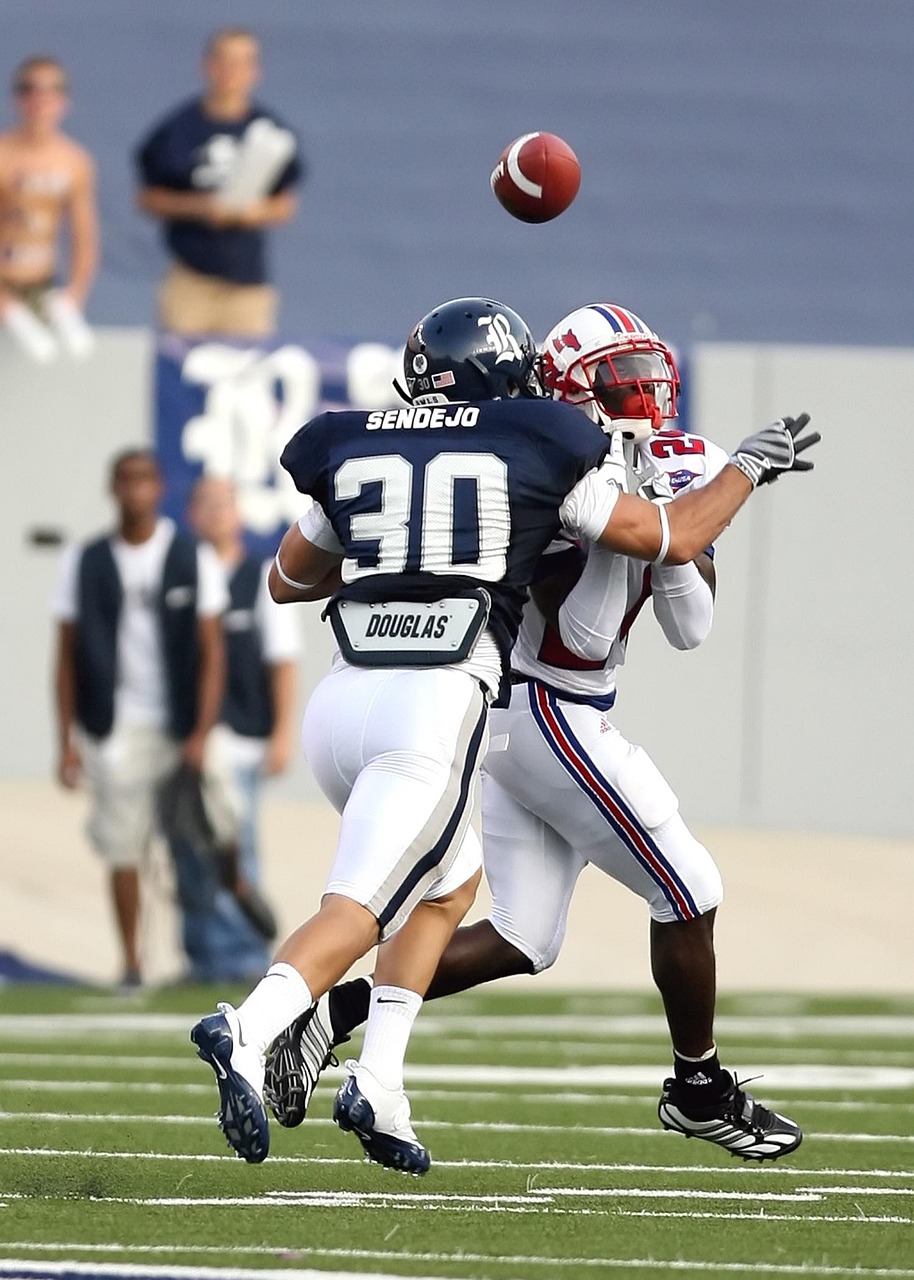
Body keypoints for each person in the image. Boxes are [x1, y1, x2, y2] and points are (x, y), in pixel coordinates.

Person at [189, 295, 818, 1176]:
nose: (640, 393)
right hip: (536, 704)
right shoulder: (548, 449)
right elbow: (653, 552)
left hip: (454, 703)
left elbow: (688, 621)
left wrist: (673, 506)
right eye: (618, 378)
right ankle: (698, 1086)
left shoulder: (565, 450)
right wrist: (722, 485)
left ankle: (337, 1026)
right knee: (688, 885)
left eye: (644, 372)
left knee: (521, 932)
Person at [53, 449, 228, 988]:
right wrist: (67, 741)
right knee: (123, 843)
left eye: (144, 480)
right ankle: (131, 960)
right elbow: (66, 654)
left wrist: (201, 731)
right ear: (113, 487)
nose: (135, 490)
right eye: (125, 480)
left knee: (209, 833)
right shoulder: (85, 560)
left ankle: (211, 954)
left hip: (177, 721)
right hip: (116, 722)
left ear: (159, 488)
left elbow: (212, 652)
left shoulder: (188, 554)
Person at [182, 475, 300, 976]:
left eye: (224, 503)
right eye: (205, 503)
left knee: (238, 843)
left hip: (243, 734)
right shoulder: (181, 575)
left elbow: (283, 661)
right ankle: (203, 956)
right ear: (191, 514)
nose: (215, 512)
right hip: (189, 741)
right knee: (189, 848)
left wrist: (281, 735)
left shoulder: (261, 575)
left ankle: (246, 955)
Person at [134, 28, 303, 339]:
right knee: (180, 375)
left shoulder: (270, 132)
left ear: (255, 72)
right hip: (190, 278)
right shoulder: (178, 130)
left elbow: (285, 205)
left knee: (246, 375)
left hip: (246, 282)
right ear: (207, 66)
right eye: (224, 62)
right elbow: (148, 198)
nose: (231, 72)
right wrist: (197, 207)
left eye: (242, 63)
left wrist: (254, 212)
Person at [0, 55, 98, 361]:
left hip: (40, 285)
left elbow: (85, 236)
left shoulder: (73, 161)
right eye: (31, 90)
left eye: (51, 90)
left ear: (63, 100)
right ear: (18, 98)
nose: (40, 100)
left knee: (73, 353)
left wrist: (74, 295)